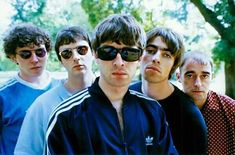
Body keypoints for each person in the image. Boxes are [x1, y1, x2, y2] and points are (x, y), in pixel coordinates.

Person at [45, 14, 178, 155]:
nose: (119, 62)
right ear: (95, 54)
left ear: (139, 58)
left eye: (129, 53)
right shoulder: (66, 117)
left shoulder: (153, 111)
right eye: (109, 52)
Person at [14, 26, 95, 155]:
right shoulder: (42, 105)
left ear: (94, 53)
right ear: (61, 60)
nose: (76, 57)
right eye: (67, 53)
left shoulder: (114, 96)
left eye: (82, 50)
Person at [130, 27, 207, 155]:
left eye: (166, 55)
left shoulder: (189, 115)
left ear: (174, 65)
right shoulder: (123, 96)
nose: (156, 58)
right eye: (150, 50)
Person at [0, 23, 59, 155]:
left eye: (40, 52)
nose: (34, 59)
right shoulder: (3, 96)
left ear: (47, 52)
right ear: (13, 57)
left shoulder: (62, 88)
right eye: (25, 54)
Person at [178, 51, 235, 155]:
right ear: (179, 77)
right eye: (190, 75)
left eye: (204, 76)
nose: (198, 84)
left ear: (212, 77)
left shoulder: (231, 109)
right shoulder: (166, 109)